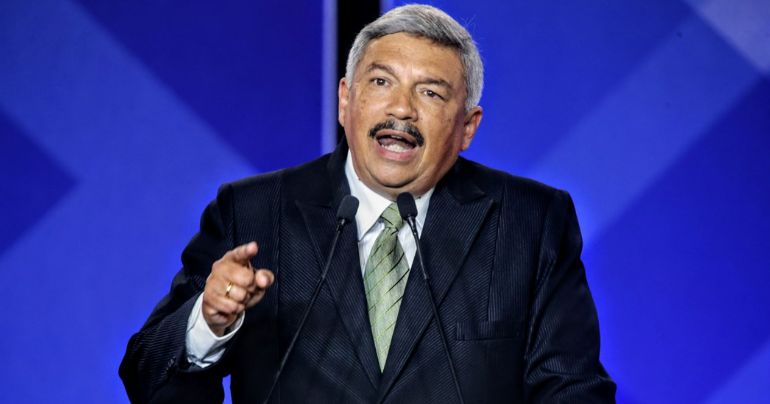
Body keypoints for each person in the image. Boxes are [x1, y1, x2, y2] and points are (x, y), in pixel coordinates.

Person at [120, 4, 616, 403]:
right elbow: (146, 376)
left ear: (468, 127)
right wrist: (208, 325)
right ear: (345, 100)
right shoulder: (253, 213)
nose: (401, 109)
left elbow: (573, 390)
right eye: (381, 82)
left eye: (430, 93)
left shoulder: (530, 223)